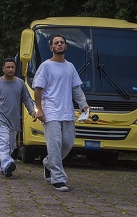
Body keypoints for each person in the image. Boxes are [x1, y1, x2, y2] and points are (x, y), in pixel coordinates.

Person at [32, 34, 90, 192]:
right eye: (56, 43)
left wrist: (83, 105)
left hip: (68, 112)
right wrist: (40, 110)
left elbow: (76, 89)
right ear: (51, 48)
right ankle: (58, 178)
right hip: (51, 112)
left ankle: (48, 163)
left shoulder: (70, 67)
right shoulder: (46, 66)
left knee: (68, 143)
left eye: (62, 42)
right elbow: (38, 89)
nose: (59, 44)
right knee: (55, 144)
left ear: (65, 46)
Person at [0, 58, 36, 177]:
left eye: (12, 67)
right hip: (0, 117)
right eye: (8, 67)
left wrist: (32, 110)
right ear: (3, 68)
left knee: (11, 146)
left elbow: (26, 98)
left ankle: (4, 165)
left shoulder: (20, 83)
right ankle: (7, 162)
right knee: (3, 141)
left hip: (14, 119)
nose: (10, 69)